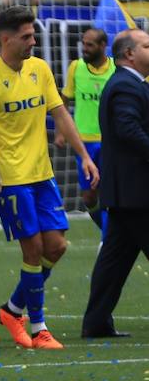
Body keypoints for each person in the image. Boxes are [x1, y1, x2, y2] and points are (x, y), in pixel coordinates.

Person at [0, 7, 98, 351]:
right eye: (26, 36)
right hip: (11, 178)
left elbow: (60, 113)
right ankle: (39, 326)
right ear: (6, 39)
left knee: (56, 246)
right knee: (34, 249)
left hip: (42, 174)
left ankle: (13, 309)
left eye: (34, 35)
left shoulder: (40, 69)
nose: (33, 41)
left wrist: (84, 157)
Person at [81, 28, 149, 338]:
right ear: (130, 54)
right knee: (114, 260)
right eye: (147, 45)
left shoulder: (127, 84)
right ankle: (95, 321)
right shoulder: (126, 86)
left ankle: (96, 322)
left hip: (126, 192)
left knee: (114, 261)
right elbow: (128, 130)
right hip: (137, 192)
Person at [59, 27, 112, 234]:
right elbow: (64, 100)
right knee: (89, 197)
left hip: (110, 141)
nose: (85, 48)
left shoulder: (116, 68)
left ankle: (107, 239)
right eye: (83, 43)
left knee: (109, 193)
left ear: (102, 46)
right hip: (84, 143)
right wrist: (61, 132)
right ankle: (108, 232)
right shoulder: (76, 67)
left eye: (90, 44)